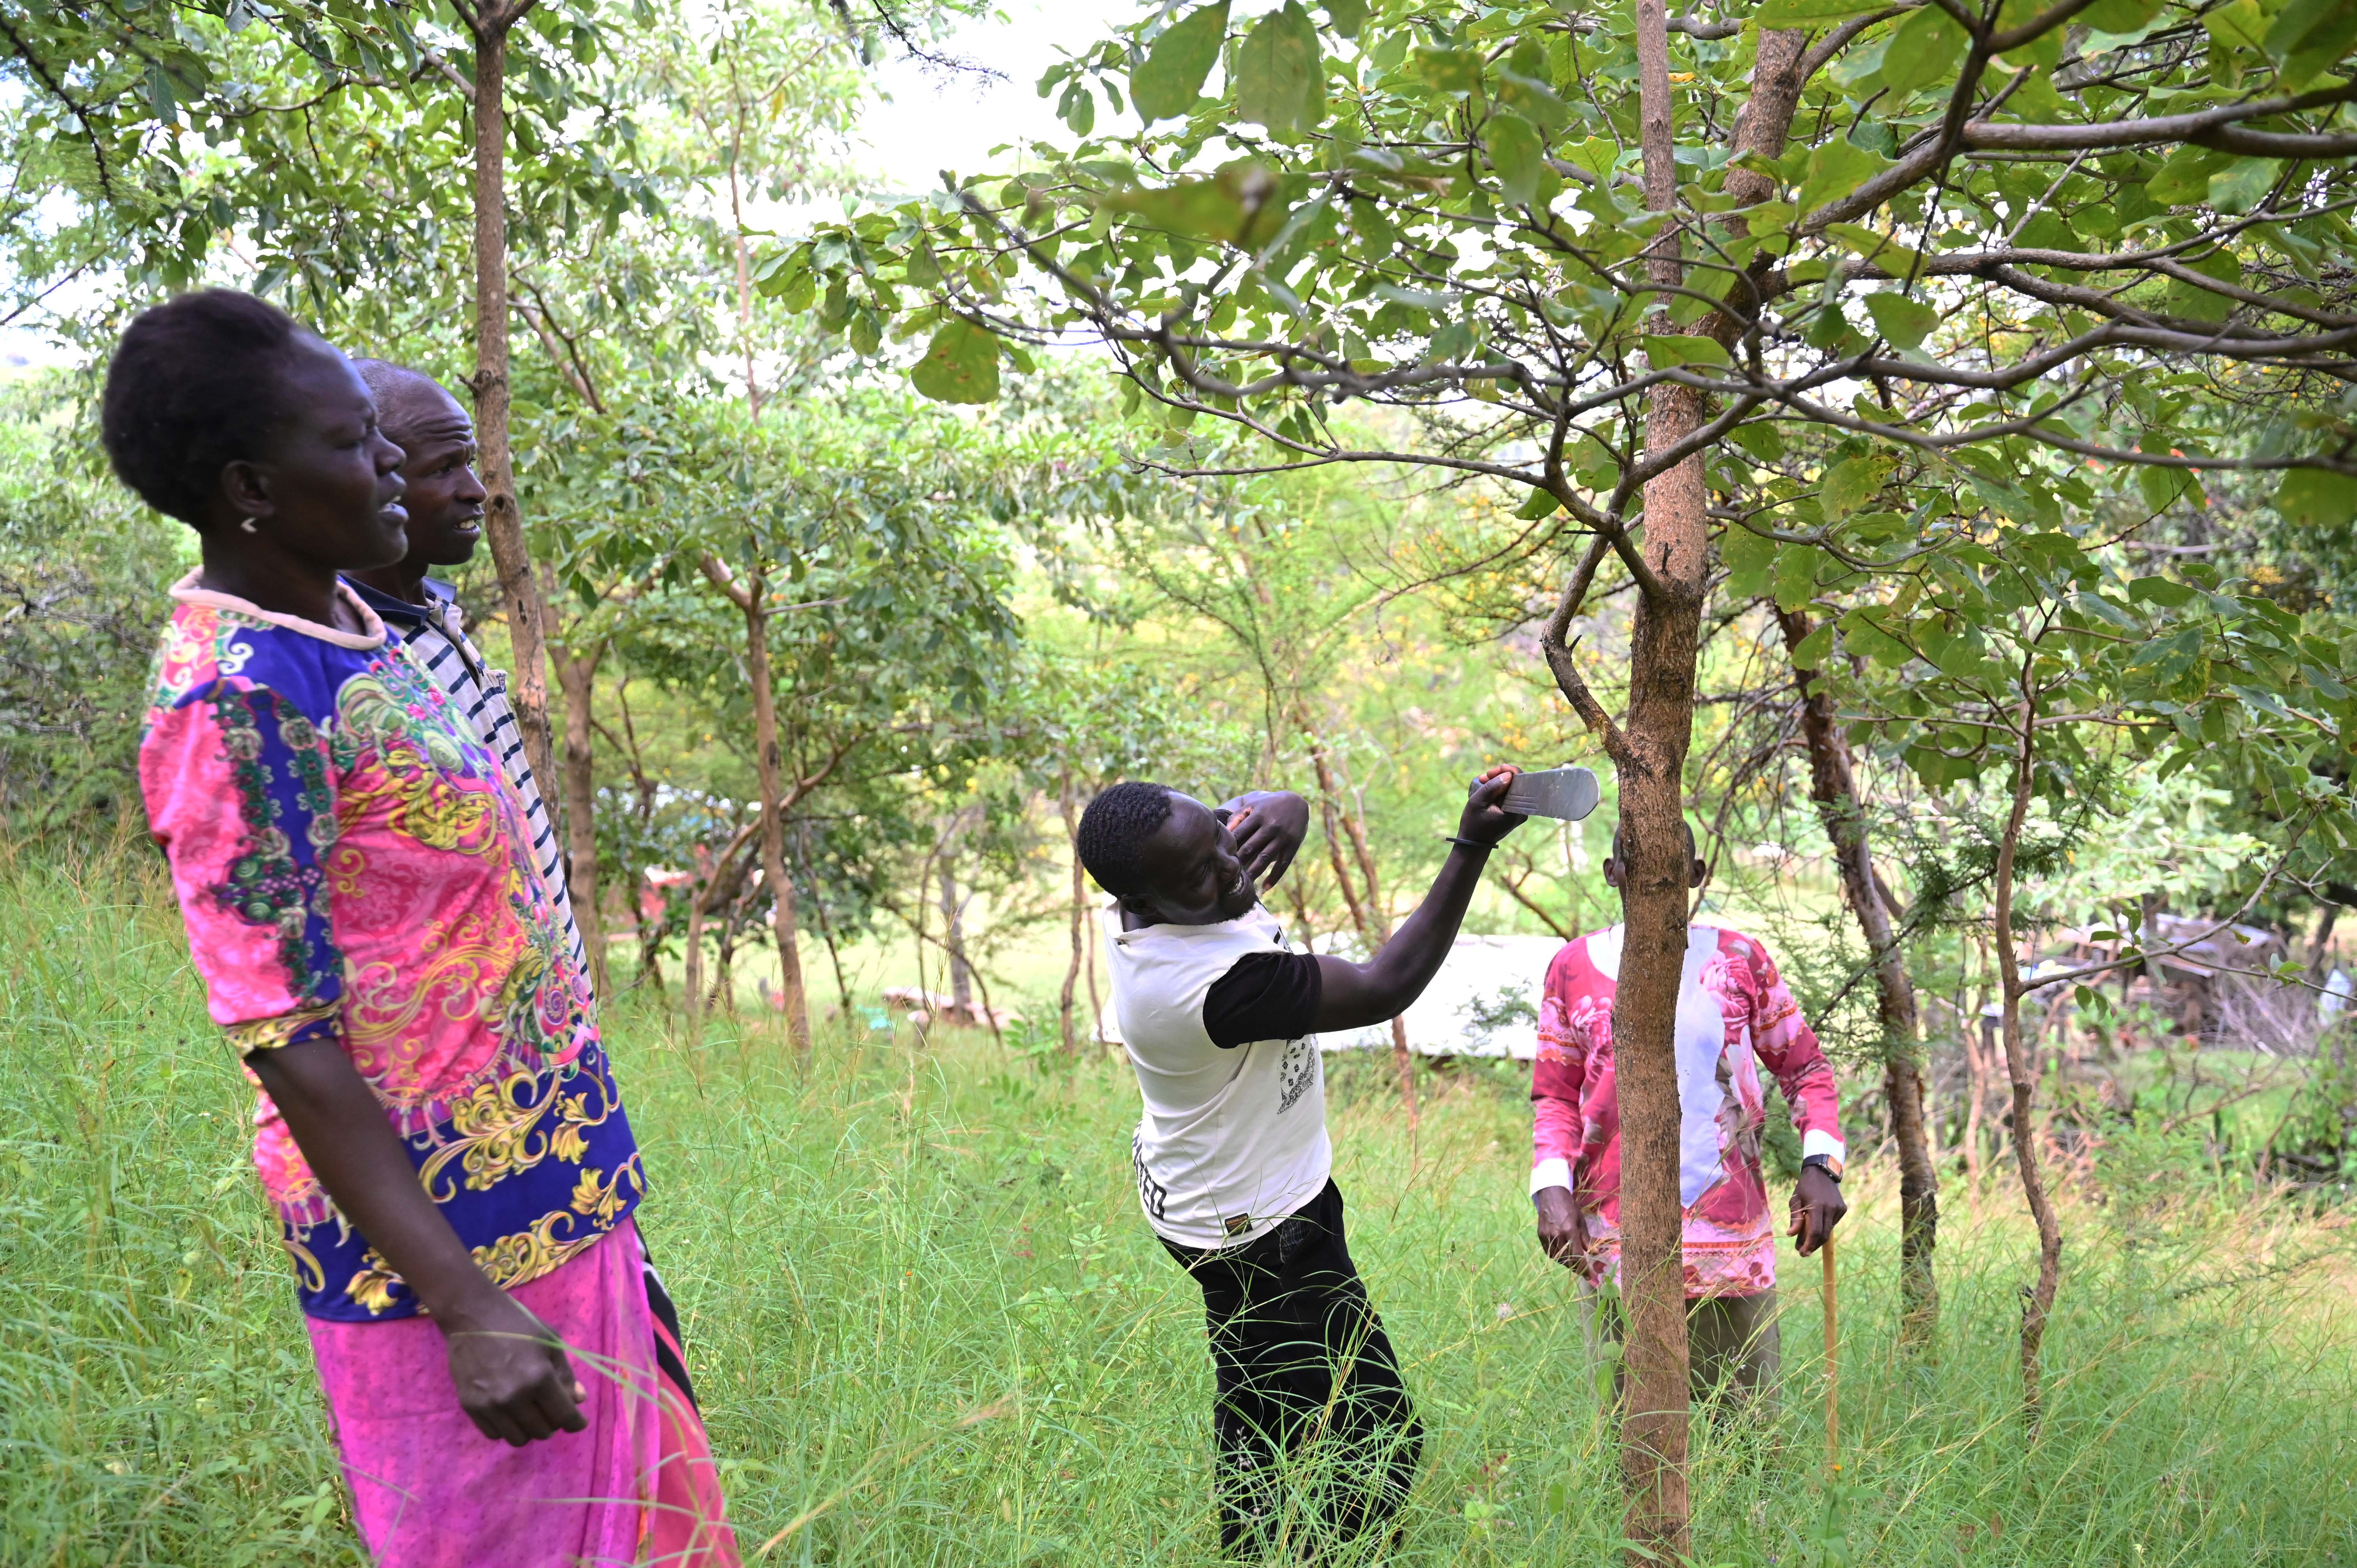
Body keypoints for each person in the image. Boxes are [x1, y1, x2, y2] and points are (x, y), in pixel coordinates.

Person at [110, 290, 736, 1566]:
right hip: (441, 1250)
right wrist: (464, 1306)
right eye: (352, 444)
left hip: (560, 1188)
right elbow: (282, 1028)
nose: (389, 464)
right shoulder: (234, 696)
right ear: (252, 487)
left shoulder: (354, 628)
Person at [1076, 769, 1526, 1558]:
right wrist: (1469, 845)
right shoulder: (1210, 986)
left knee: (1263, 1418)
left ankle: (1255, 1545)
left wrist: (1289, 807)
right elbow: (1386, 985)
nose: (1232, 869)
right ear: (1144, 901)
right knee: (1378, 1440)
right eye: (1204, 875)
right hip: (1261, 1233)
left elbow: (1235, 822)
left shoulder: (1168, 852)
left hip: (1216, 1195)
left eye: (1224, 841)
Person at [1529, 821, 1847, 1404]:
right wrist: (1550, 1188)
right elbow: (1555, 1093)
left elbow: (1806, 1069)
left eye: (1673, 870)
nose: (1656, 884)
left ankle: (1750, 1503)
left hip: (1729, 1239)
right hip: (1615, 1234)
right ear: (1612, 873)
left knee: (1747, 1437)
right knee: (1632, 1435)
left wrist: (1821, 1165)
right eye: (1637, 866)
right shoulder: (1574, 968)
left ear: (1698, 876)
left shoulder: (1738, 959)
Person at [339, 359, 587, 988]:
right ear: (366, 481)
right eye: (444, 469)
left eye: (470, 463)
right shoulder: (359, 664)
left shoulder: (433, 621)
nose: (478, 490)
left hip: (547, 1035)